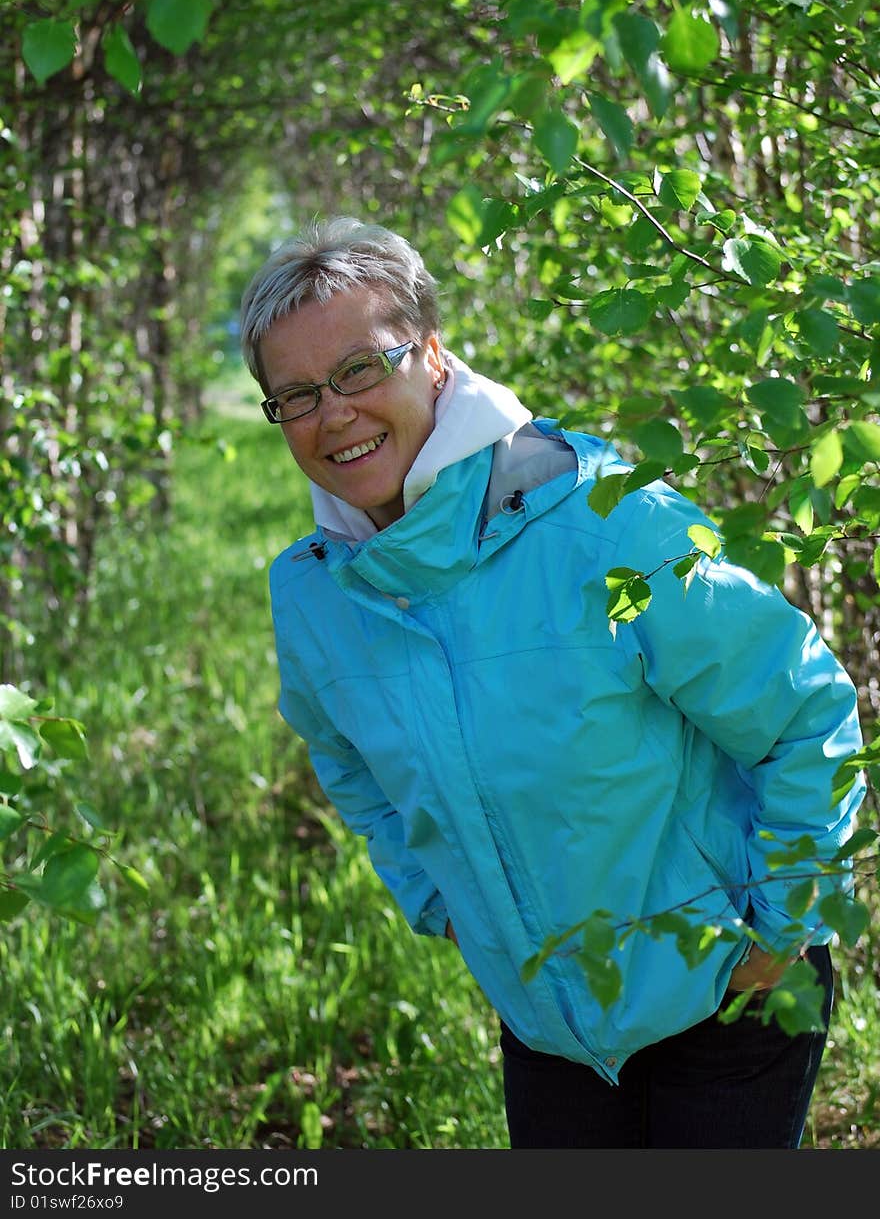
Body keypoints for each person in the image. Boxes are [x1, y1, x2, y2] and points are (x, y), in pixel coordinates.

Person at [239, 215, 867, 1149]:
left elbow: (805, 708)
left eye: (361, 370)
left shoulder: (608, 522)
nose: (333, 414)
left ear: (435, 357)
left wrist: (775, 936)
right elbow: (354, 771)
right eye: (294, 395)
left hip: (731, 991)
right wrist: (448, 908)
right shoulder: (314, 594)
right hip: (546, 1020)